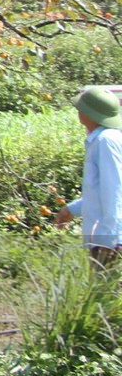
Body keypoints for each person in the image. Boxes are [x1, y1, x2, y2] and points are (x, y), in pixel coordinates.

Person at [53, 86, 122, 268]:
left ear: (90, 113)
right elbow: (102, 191)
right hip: (108, 234)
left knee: (105, 292)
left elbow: (113, 189)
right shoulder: (104, 139)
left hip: (110, 238)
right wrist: (72, 209)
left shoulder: (105, 141)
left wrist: (110, 237)